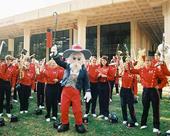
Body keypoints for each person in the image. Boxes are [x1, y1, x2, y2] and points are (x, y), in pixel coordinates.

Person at [52, 44, 91, 133]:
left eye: (78, 59)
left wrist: (88, 91)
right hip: (66, 90)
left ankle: (79, 124)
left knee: (77, 109)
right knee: (64, 108)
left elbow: (86, 82)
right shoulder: (67, 66)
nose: (76, 61)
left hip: (76, 91)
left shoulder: (83, 70)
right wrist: (55, 54)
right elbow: (59, 62)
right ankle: (65, 123)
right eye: (74, 58)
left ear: (82, 59)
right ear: (70, 58)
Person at [130, 57, 167, 134]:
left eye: (149, 61)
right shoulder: (141, 69)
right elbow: (131, 70)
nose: (147, 62)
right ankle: (143, 124)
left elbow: (164, 79)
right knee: (145, 108)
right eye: (146, 61)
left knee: (155, 109)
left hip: (154, 91)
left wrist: (159, 86)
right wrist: (130, 62)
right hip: (145, 91)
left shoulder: (156, 69)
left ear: (151, 62)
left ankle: (156, 127)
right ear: (144, 62)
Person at [119, 61, 138, 126]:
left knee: (131, 106)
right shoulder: (123, 72)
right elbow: (117, 75)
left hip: (129, 91)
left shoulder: (133, 74)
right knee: (123, 105)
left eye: (128, 65)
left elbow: (135, 85)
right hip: (123, 90)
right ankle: (125, 119)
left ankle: (134, 120)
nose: (126, 66)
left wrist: (135, 93)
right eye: (126, 65)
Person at [97, 56, 112, 120]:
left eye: (105, 61)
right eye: (102, 60)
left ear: (106, 61)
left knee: (106, 99)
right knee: (101, 99)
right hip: (100, 84)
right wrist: (98, 75)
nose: (103, 62)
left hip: (106, 84)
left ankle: (106, 113)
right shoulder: (99, 67)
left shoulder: (109, 67)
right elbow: (96, 77)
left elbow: (111, 77)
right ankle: (101, 113)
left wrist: (105, 76)